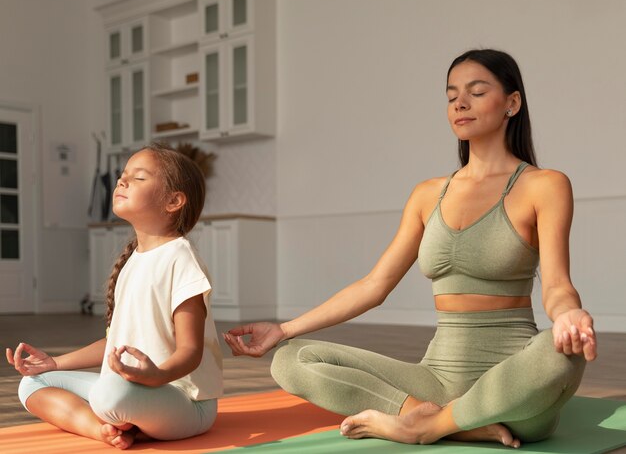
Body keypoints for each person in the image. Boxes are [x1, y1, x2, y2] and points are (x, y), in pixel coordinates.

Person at [223, 49, 597, 447]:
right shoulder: (427, 194)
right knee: (291, 359)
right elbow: (374, 285)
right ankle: (443, 420)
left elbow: (557, 284)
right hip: (435, 379)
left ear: (512, 102)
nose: (460, 104)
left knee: (561, 353)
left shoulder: (545, 185)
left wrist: (569, 315)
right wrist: (283, 330)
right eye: (452, 96)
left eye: (476, 91)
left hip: (511, 383)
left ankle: (429, 427)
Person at [6, 144, 222, 450]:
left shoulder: (180, 258)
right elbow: (113, 344)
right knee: (32, 385)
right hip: (132, 393)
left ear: (173, 201)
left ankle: (118, 420)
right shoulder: (133, 260)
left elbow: (191, 350)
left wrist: (156, 376)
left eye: (139, 178)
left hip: (187, 403)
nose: (122, 182)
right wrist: (54, 363)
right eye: (123, 176)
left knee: (110, 394)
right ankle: (103, 431)